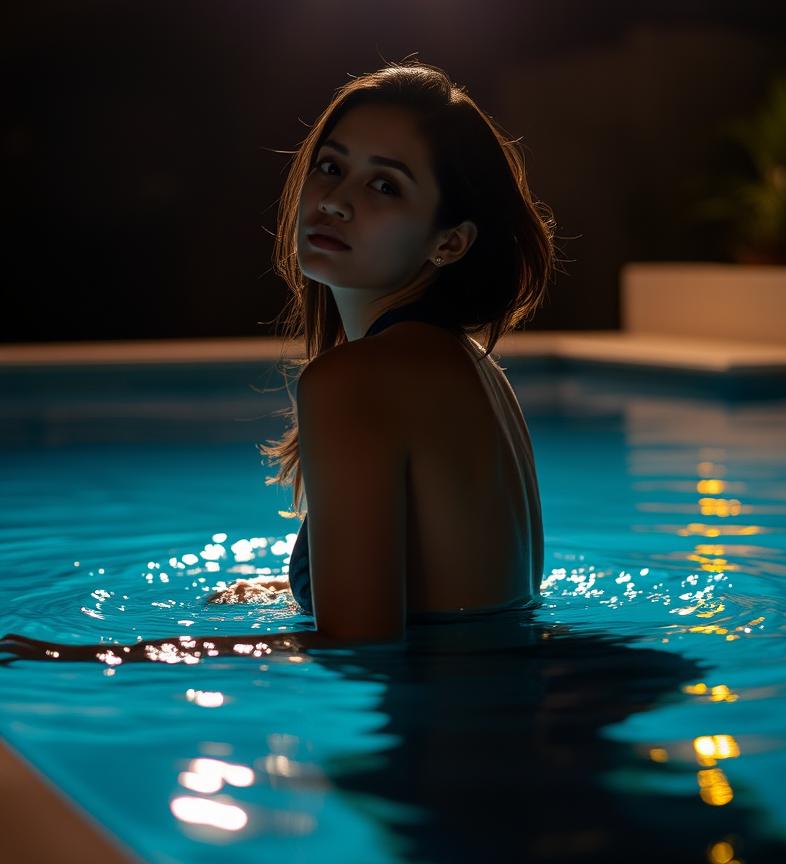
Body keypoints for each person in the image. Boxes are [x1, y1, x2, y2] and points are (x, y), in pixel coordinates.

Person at [1, 58, 559, 663]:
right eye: (331, 167)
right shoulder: (471, 367)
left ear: (448, 241)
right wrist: (279, 588)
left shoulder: (357, 378)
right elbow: (459, 596)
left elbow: (360, 640)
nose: (336, 201)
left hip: (436, 747)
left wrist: (87, 659)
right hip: (489, 725)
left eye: (384, 185)